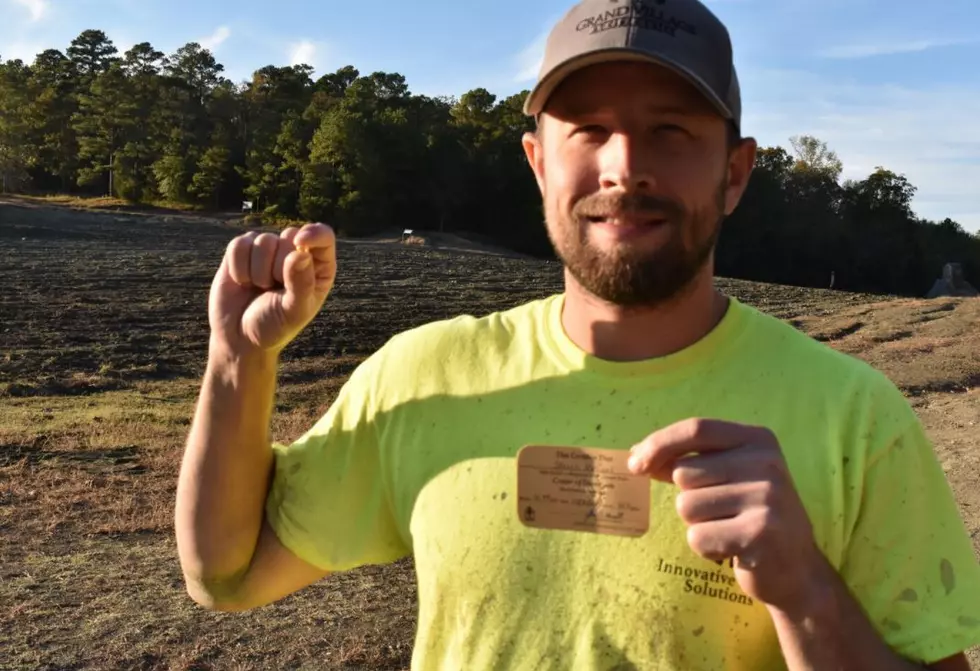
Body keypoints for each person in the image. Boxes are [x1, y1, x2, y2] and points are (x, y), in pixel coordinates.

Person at [175, 0, 980, 668]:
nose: (624, 164)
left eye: (672, 131)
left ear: (733, 173)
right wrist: (240, 358)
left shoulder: (854, 419)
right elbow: (227, 573)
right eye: (588, 129)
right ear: (537, 162)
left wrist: (807, 591)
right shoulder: (427, 374)